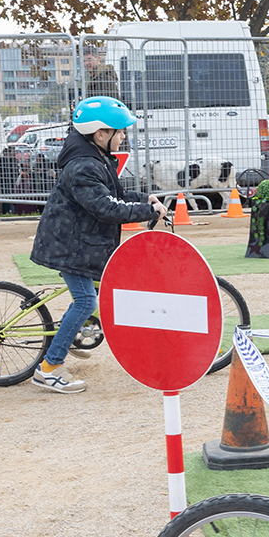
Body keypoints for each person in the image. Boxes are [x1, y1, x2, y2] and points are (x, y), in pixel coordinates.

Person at [27, 97, 165, 393]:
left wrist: (145, 200)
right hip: (71, 246)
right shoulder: (83, 166)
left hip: (80, 242)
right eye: (120, 131)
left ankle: (75, 332)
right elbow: (106, 208)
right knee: (86, 301)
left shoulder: (94, 157)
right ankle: (49, 368)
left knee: (101, 290)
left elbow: (115, 193)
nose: (124, 136)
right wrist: (146, 212)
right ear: (100, 134)